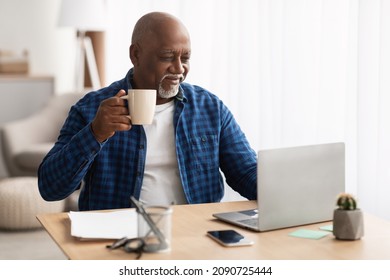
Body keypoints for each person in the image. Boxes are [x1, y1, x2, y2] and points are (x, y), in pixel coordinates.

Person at [38, 12, 257, 211]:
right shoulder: (92, 109)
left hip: (194, 232)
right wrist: (95, 133)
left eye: (185, 57)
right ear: (136, 55)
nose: (179, 68)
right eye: (167, 57)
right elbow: (50, 189)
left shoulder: (210, 108)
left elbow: (246, 172)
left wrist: (283, 192)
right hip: (116, 235)